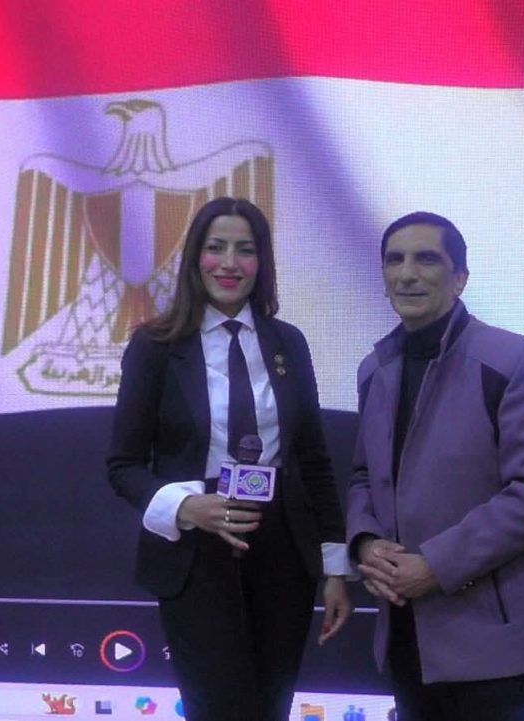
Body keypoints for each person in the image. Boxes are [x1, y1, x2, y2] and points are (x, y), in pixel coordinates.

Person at [107, 197, 351, 721]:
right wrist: (185, 506)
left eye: (245, 249)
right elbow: (123, 466)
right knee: (218, 707)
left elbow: (313, 461)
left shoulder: (288, 344)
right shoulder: (155, 346)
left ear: (261, 262)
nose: (229, 263)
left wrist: (335, 569)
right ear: (195, 257)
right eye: (216, 247)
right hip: (197, 554)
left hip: (284, 552)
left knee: (270, 707)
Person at [347, 211, 524, 720]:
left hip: (490, 644)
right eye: (394, 260)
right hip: (404, 634)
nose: (407, 273)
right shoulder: (374, 370)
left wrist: (436, 566)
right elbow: (363, 476)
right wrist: (365, 543)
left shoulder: (515, 360)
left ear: (460, 277)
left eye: (427, 259)